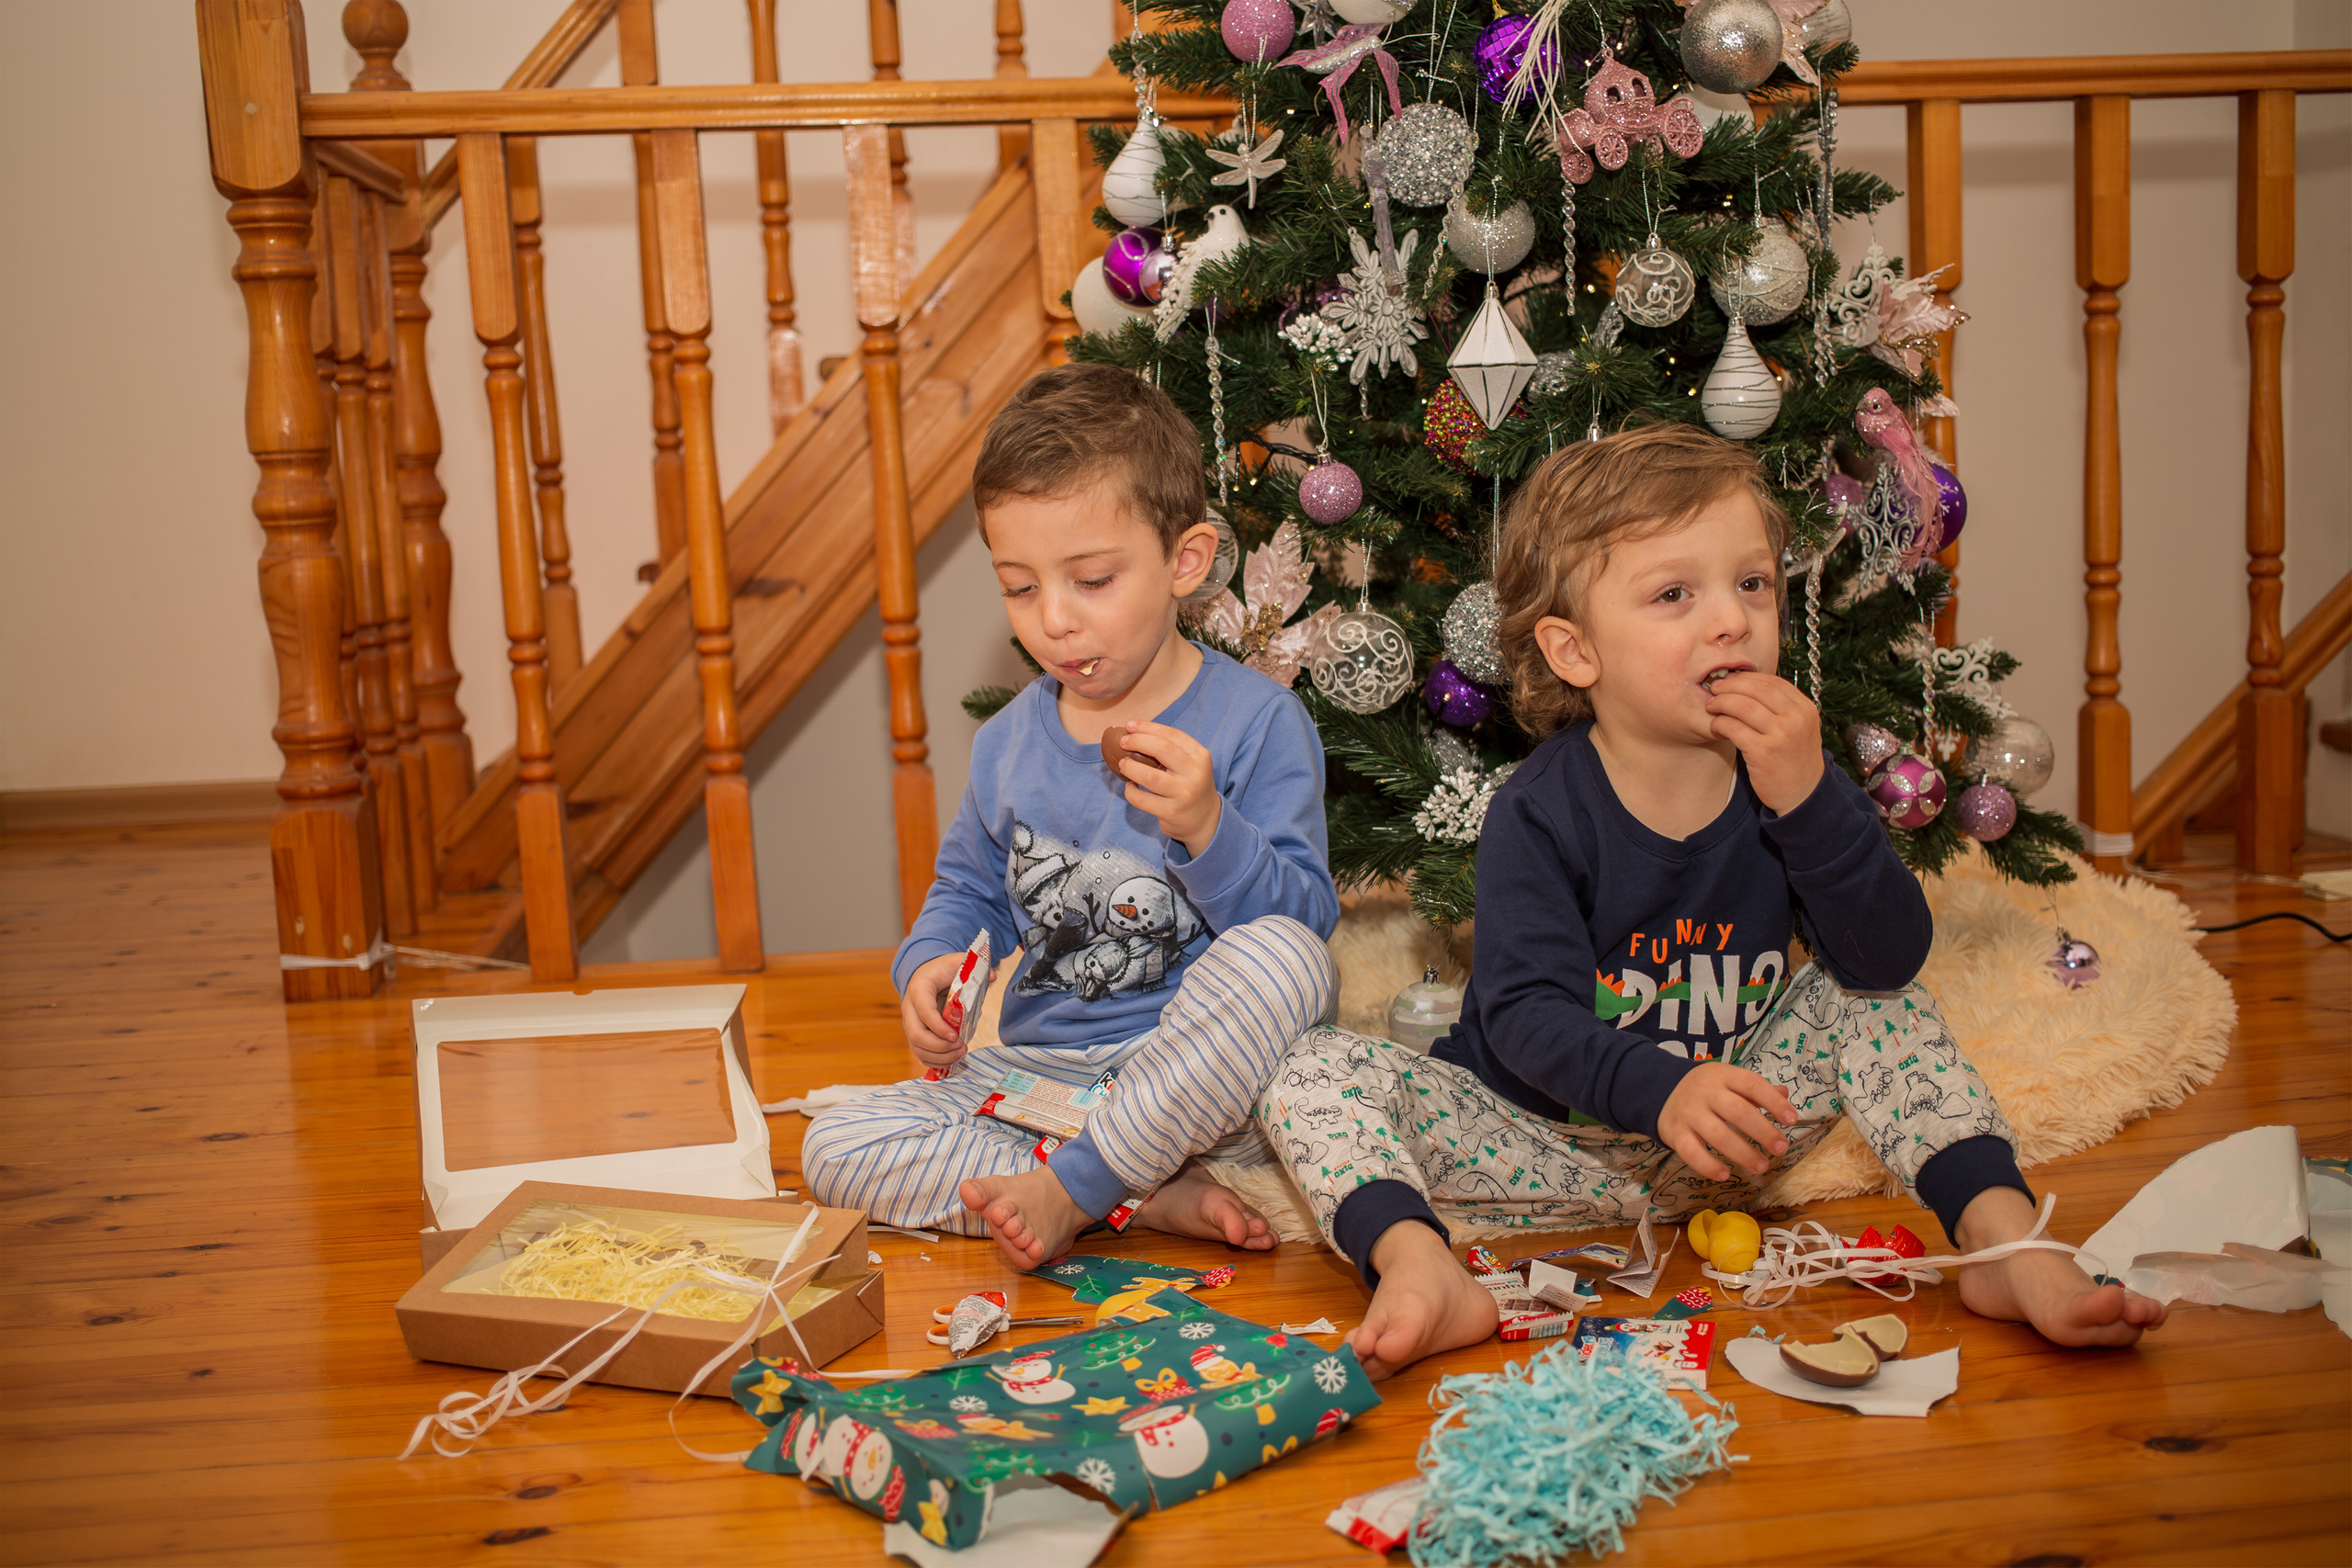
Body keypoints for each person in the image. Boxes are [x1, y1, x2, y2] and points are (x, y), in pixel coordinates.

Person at [1254, 422, 2166, 1380]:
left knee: (1878, 1009)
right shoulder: (1541, 809)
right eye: (1674, 594)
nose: (1731, 620)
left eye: (1752, 584)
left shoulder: (1793, 781)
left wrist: (1812, 801)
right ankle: (1417, 1266)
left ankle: (2002, 1244)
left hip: (1736, 1133)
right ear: (1574, 652)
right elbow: (1525, 1016)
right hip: (1538, 1144)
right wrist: (1659, 1089)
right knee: (1311, 1071)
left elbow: (1886, 957)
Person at [804, 364, 1340, 1269]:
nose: (1052, 620)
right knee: (834, 1147)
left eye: (1090, 580)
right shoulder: (1006, 742)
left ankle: (1081, 1187)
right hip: (1041, 1085)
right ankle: (1131, 1188)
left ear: (1186, 561)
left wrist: (1210, 828)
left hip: (1199, 1086)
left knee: (1290, 961)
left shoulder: (1257, 722)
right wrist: (931, 964)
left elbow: (1300, 925)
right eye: (1019, 588)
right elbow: (968, 887)